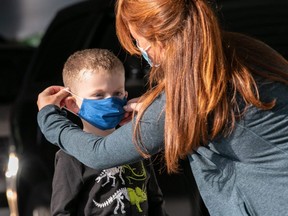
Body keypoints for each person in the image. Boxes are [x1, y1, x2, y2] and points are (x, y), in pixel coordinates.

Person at [37, 0, 288, 215]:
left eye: (137, 41)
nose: (142, 52)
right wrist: (154, 108)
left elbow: (100, 153)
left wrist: (49, 116)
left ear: (156, 36)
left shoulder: (193, 87)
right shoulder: (239, 52)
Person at [49, 48, 167, 216]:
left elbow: (155, 200)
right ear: (73, 104)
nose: (110, 101)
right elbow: (62, 211)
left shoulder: (134, 144)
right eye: (98, 95)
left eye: (117, 93)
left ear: (126, 95)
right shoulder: (70, 156)